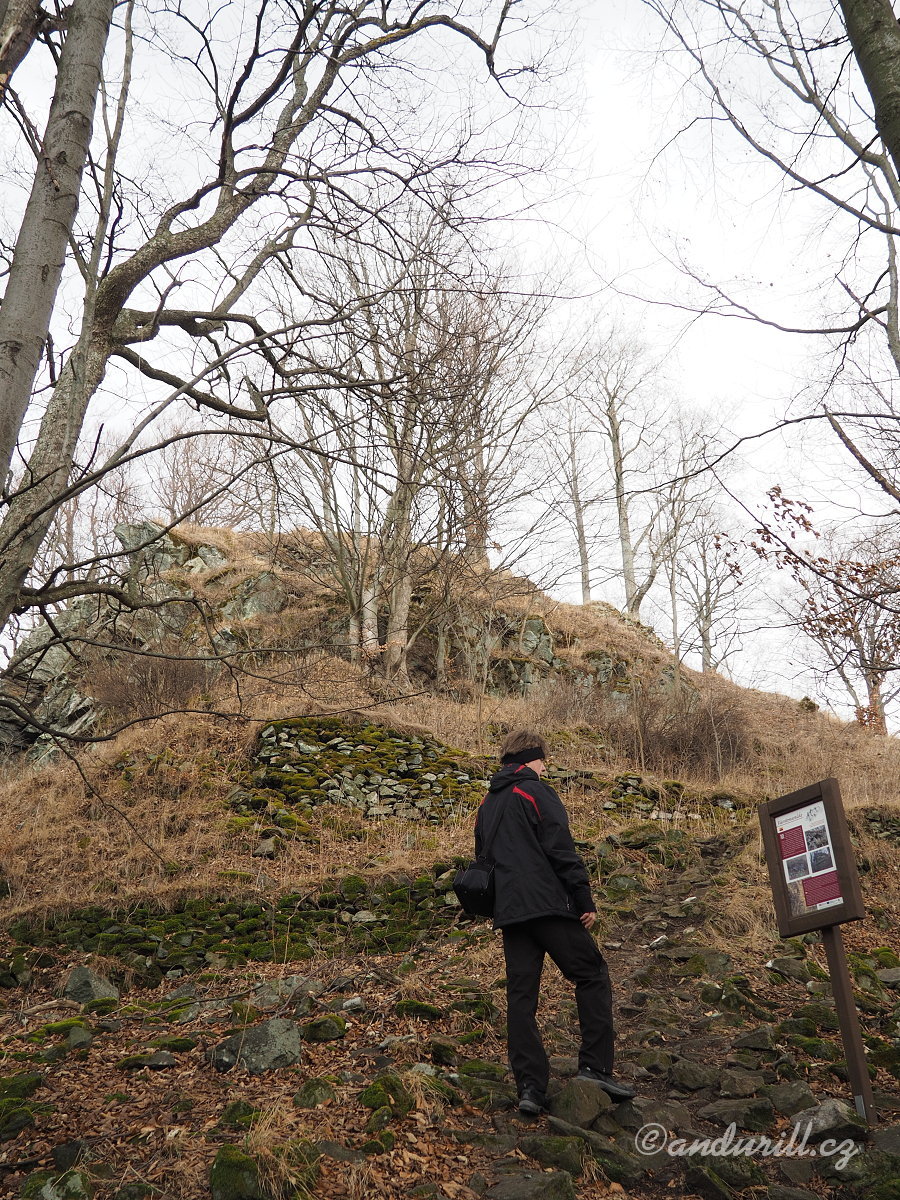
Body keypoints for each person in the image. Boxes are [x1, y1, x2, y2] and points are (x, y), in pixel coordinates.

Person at [475, 728, 634, 1115]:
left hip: (511, 912)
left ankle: (530, 1088)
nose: (546, 766)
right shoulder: (535, 791)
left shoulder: (488, 802)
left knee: (521, 997)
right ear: (531, 757)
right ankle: (595, 1067)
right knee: (591, 973)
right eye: (543, 759)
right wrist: (583, 897)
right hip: (547, 905)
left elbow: (483, 855)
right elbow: (560, 847)